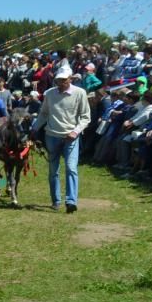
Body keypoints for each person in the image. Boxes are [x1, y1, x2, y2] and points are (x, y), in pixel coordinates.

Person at [31, 65, 91, 213]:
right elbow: (44, 113)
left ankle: (71, 201)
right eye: (58, 80)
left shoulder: (80, 93)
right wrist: (34, 128)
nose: (61, 83)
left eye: (63, 80)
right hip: (51, 135)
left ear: (70, 79)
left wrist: (76, 132)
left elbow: (85, 117)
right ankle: (56, 200)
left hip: (71, 137)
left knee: (71, 168)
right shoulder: (50, 94)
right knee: (53, 170)